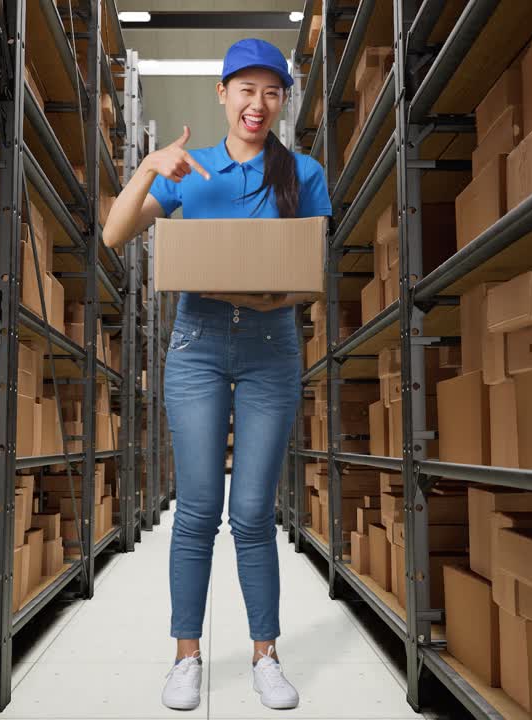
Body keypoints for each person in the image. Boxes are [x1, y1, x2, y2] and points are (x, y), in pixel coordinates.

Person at [101, 37, 331, 711]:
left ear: (282, 102)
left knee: (254, 513)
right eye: (245, 90)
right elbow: (115, 234)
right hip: (197, 345)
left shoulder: (303, 173)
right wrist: (148, 167)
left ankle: (266, 655)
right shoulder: (188, 171)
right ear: (222, 94)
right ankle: (186, 657)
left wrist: (275, 296)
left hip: (271, 346)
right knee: (198, 510)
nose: (256, 104)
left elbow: (308, 276)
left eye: (271, 92)